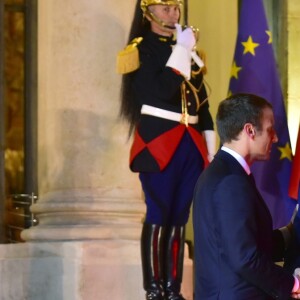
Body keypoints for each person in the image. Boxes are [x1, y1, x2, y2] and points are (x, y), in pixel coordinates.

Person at [117, 0, 216, 299]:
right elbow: (160, 91)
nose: (172, 14)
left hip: (190, 143)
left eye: (175, 8)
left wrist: (211, 150)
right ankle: (154, 289)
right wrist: (182, 50)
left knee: (179, 217)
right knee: (159, 213)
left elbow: (203, 107)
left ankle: (173, 289)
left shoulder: (188, 52)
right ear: (147, 13)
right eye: (164, 8)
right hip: (159, 142)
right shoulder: (141, 49)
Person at [192, 93, 300, 299]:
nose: (275, 137)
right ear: (250, 130)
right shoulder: (230, 181)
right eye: (270, 130)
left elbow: (243, 242)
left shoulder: (224, 172)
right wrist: (293, 284)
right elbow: (245, 258)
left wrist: (290, 233)